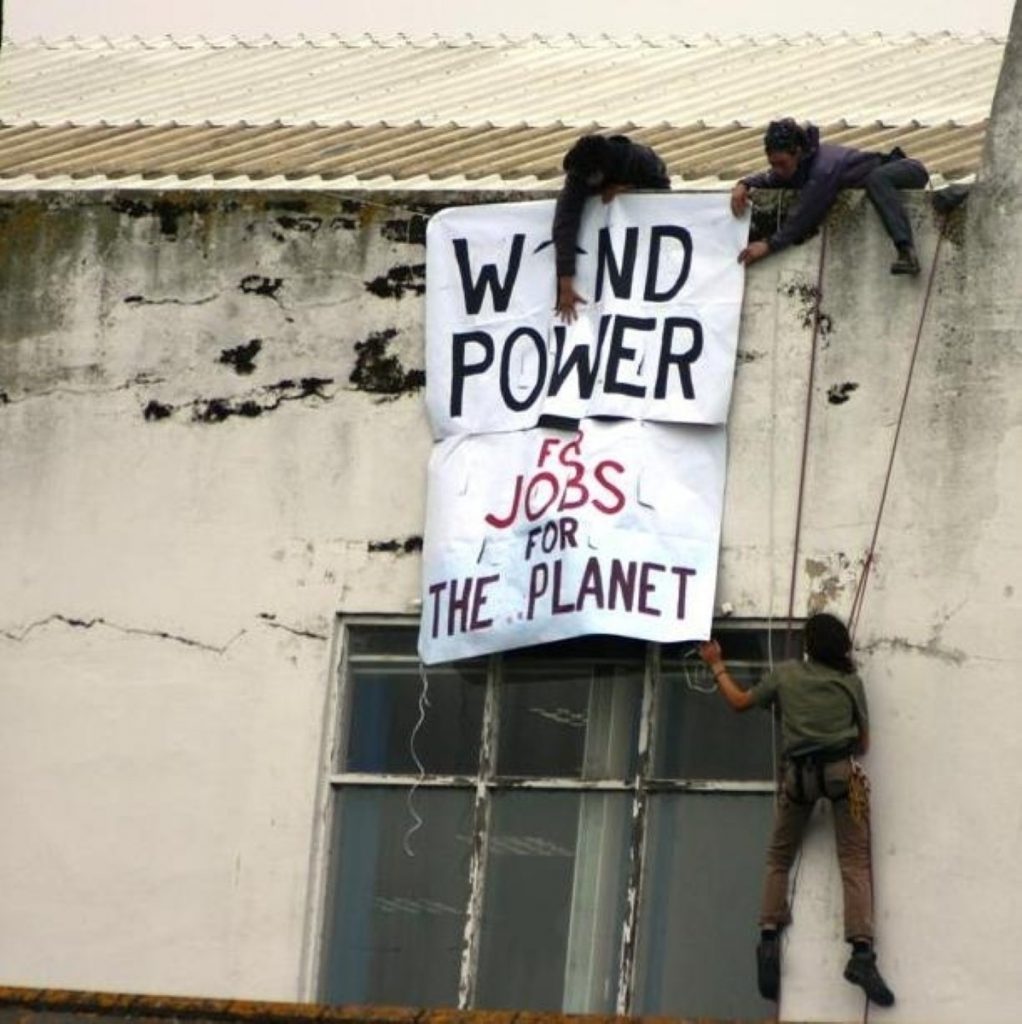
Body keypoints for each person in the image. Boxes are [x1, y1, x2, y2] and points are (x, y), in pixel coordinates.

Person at [697, 612, 895, 1008]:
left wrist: (716, 663)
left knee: (778, 857)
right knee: (854, 861)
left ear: (808, 645)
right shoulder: (850, 683)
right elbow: (863, 745)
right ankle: (861, 954)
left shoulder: (785, 676)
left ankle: (768, 939)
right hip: (841, 777)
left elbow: (739, 702)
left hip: (798, 779)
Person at [732, 118, 929, 276]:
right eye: (773, 164)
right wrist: (744, 184)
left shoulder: (824, 168)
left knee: (876, 178)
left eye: (782, 163)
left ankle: (906, 250)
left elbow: (805, 214)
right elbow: (771, 178)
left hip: (909, 169)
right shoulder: (800, 165)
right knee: (875, 179)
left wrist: (768, 245)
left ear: (797, 152)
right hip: (884, 175)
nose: (778, 170)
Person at [552, 133, 670, 322]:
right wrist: (565, 284)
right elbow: (565, 224)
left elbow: (664, 195)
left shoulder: (639, 159)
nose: (584, 183)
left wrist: (630, 190)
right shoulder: (579, 173)